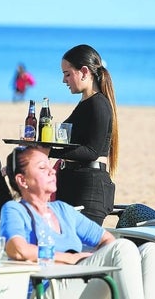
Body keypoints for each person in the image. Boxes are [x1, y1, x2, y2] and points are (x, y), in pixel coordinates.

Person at [0, 146, 155, 299]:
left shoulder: (62, 210)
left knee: (153, 251)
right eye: (42, 168)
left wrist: (91, 259)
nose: (52, 171)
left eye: (49, 166)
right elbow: (17, 249)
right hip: (47, 288)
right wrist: (71, 258)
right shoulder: (15, 209)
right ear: (22, 180)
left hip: (77, 279)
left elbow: (106, 240)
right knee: (122, 248)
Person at [48, 44, 118, 225]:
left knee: (81, 251)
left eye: (67, 74)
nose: (64, 80)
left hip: (90, 189)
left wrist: (49, 151)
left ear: (84, 72)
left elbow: (92, 151)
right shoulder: (86, 103)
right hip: (74, 184)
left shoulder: (98, 104)